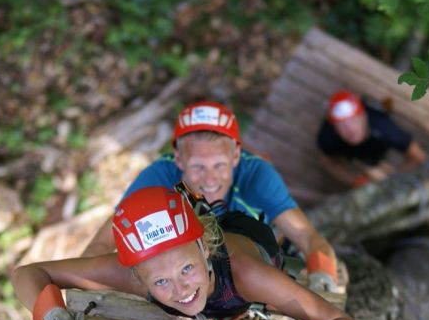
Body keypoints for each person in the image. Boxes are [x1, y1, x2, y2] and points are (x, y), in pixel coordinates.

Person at [13, 186, 364, 320]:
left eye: (186, 269)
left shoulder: (249, 275)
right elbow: (28, 273)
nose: (181, 290)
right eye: (161, 281)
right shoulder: (131, 273)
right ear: (137, 276)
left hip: (245, 242)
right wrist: (49, 310)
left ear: (204, 248)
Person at [81, 101, 342, 293]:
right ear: (179, 159)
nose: (209, 179)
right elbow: (101, 244)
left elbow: (307, 237)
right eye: (197, 166)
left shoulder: (257, 174)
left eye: (219, 165)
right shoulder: (159, 176)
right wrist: (87, 294)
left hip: (252, 260)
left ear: (236, 157)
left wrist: (324, 277)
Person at [317, 90, 426, 189]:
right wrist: (355, 181)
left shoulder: (383, 127)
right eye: (342, 125)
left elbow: (418, 156)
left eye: (353, 121)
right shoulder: (328, 135)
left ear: (364, 117)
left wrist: (392, 180)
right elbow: (327, 161)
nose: (350, 130)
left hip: (379, 149)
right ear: (334, 127)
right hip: (354, 156)